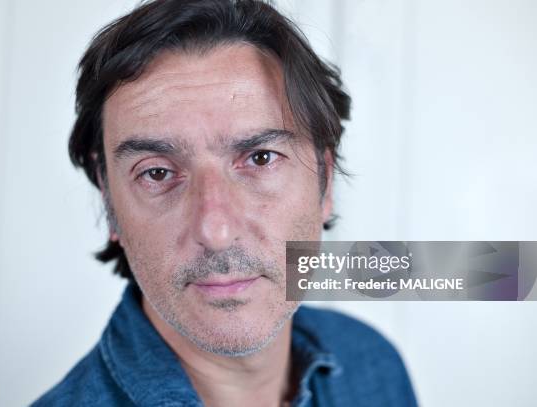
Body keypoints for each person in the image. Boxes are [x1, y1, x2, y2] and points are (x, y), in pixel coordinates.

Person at [33, 0, 418, 405]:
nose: (215, 232)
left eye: (261, 158)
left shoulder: (373, 366)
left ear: (325, 182)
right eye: (158, 173)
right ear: (108, 198)